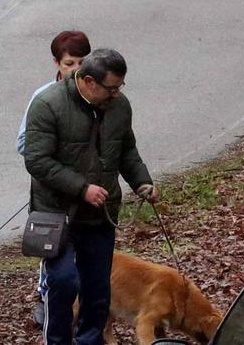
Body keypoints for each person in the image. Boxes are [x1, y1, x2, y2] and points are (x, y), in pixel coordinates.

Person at [22, 48, 158, 345]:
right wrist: (82, 188)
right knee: (63, 281)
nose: (116, 94)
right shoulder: (48, 104)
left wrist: (142, 182)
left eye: (120, 87)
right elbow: (36, 160)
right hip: (56, 214)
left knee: (97, 291)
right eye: (111, 88)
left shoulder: (119, 107)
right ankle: (57, 340)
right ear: (87, 81)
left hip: (100, 216)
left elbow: (126, 151)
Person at [17, 30, 92, 327]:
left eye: (81, 63)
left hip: (89, 190)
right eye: (69, 63)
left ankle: (84, 308)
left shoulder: (98, 94)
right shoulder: (44, 98)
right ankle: (45, 298)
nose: (76, 70)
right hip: (53, 190)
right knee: (52, 245)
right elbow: (24, 144)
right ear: (56, 63)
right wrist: (57, 156)